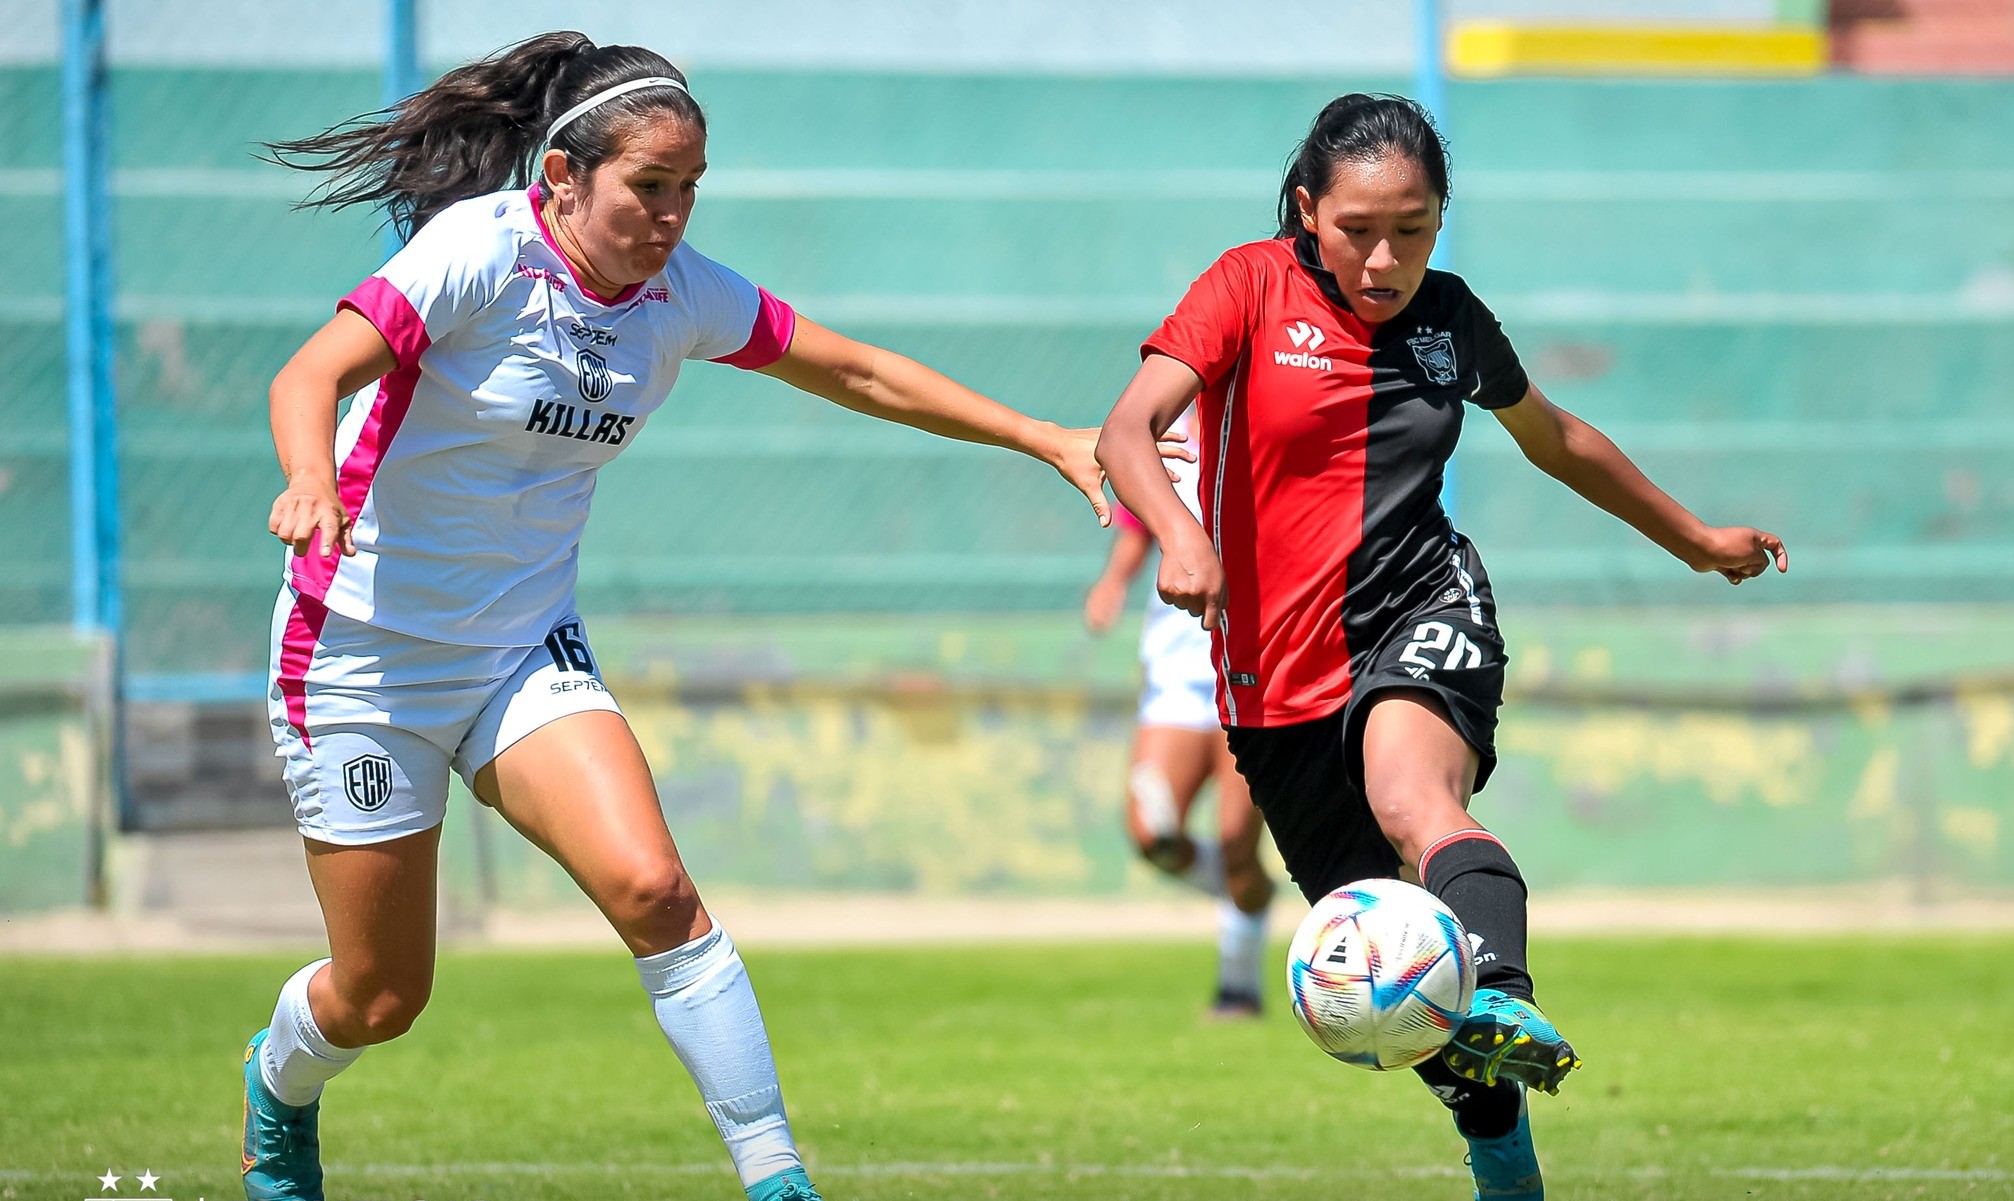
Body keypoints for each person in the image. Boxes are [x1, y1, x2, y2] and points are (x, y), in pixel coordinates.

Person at [246, 32, 1136, 1201]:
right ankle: (279, 1090)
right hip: (359, 655)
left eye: (688, 190)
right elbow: (307, 376)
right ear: (561, 178)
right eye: (646, 189)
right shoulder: (478, 253)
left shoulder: (678, 293)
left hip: (520, 653)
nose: (670, 217)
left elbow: (857, 370)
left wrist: (1042, 436)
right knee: (379, 997)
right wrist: (310, 475)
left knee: (659, 892)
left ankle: (775, 1180)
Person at [1094, 93, 1788, 1200]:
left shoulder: (1449, 319)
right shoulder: (1245, 286)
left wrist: (1696, 540)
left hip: (1421, 600)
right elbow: (1125, 428)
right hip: (1272, 680)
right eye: (1357, 228)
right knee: (1405, 990)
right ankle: (1502, 1154)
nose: (1383, 258)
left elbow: (1554, 436)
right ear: (1306, 210)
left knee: (1417, 802)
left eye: (1411, 229)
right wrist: (1177, 533)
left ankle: (1503, 984)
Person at [1084, 409, 1274, 1017]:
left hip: (1256, 663)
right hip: (1179, 669)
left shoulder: (1276, 422)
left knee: (1234, 836)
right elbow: (1141, 519)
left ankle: (1238, 985)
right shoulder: (1170, 428)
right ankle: (1249, 889)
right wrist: (1114, 581)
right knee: (1151, 833)